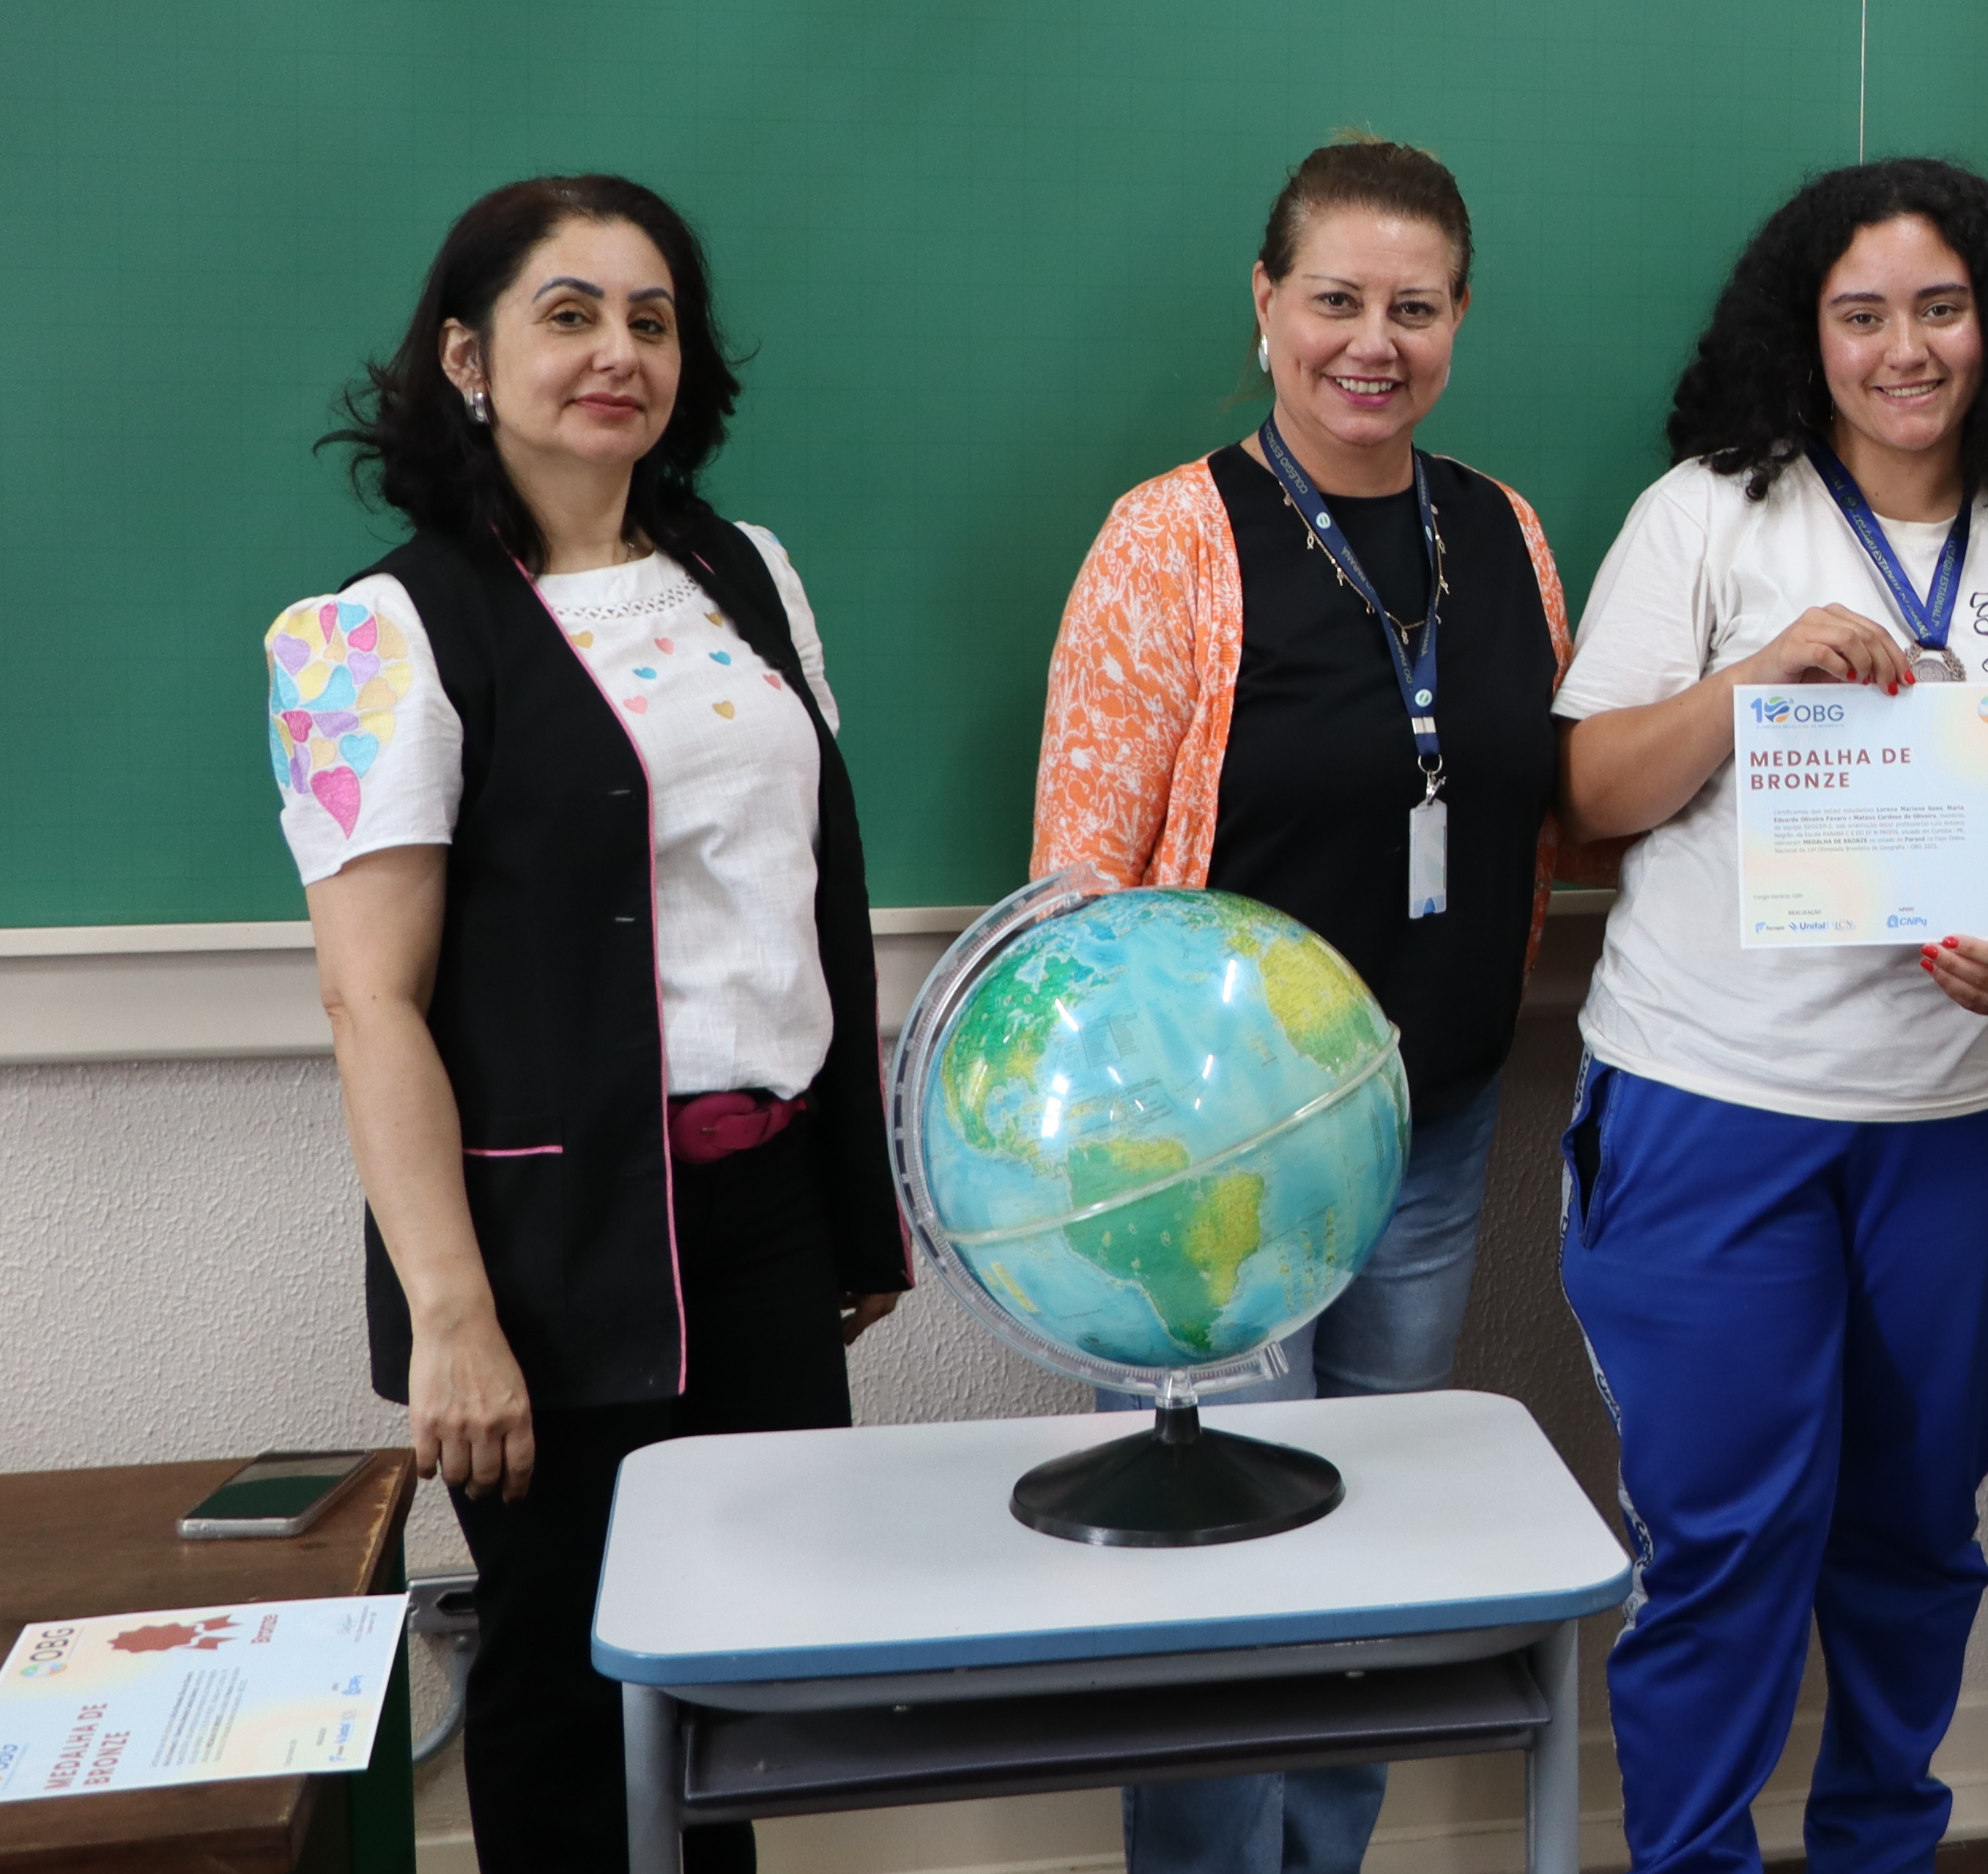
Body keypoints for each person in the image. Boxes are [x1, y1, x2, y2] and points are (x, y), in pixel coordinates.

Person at [270, 176, 905, 1873]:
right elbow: (370, 998)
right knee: (573, 1689)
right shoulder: (368, 638)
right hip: (550, 1247)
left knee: (736, 1674)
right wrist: (452, 1319)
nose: (618, 350)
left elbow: (800, 899)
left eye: (651, 318)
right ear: (467, 357)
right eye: (569, 314)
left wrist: (852, 1203)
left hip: (764, 1211)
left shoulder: (746, 576)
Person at [1553, 156, 1988, 1874]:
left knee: (1912, 1535)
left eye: (1942, 309)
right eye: (1865, 314)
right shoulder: (1706, 516)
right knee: (1727, 1539)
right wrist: (1755, 678)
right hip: (1715, 1098)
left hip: (1973, 1119)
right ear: (1805, 336)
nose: (1908, 348)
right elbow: (1592, 794)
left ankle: (1882, 1847)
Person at [1031, 136, 1571, 1874]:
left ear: (1461, 318)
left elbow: (1541, 799)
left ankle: (1323, 1860)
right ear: (1265, 304)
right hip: (1215, 1174)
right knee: (1216, 1569)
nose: (1373, 342)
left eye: (1416, 307)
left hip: (1430, 1131)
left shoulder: (1504, 531)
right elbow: (1077, 893)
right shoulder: (1168, 541)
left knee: (1371, 1564)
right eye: (1336, 298)